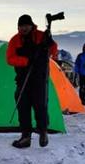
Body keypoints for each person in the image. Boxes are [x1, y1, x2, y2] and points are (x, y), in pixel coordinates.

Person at [6, 14, 58, 149]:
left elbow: (53, 51)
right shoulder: (15, 40)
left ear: (31, 25)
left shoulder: (41, 36)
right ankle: (26, 136)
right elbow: (10, 59)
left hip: (39, 78)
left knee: (40, 106)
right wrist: (26, 61)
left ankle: (43, 132)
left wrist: (49, 43)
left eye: (26, 25)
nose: (23, 28)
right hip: (22, 78)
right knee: (23, 107)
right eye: (21, 26)